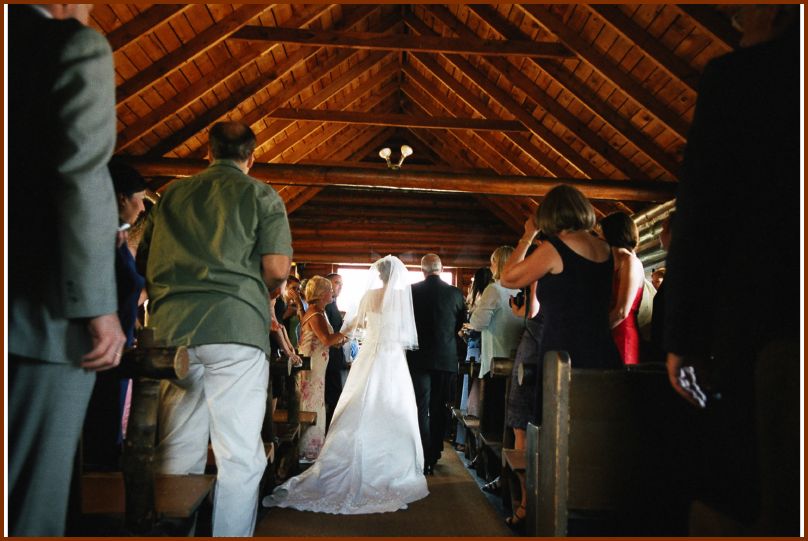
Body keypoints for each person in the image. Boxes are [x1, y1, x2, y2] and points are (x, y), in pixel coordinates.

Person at [664, 5, 799, 535]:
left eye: (747, 13)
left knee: (751, 490)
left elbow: (703, 214)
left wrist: (684, 340)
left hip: (772, 321)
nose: (740, 22)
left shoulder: (744, 79)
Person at [137, 121, 293, 537]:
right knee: (239, 454)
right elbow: (277, 268)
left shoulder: (171, 195)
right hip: (236, 328)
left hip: (172, 330)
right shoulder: (262, 195)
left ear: (208, 152)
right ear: (252, 156)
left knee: (175, 447)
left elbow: (142, 264)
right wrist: (267, 289)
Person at [7, 4, 126, 536]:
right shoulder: (68, 45)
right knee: (28, 503)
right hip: (37, 315)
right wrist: (100, 306)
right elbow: (81, 175)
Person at [264, 256, 429, 514]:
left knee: (359, 402)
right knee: (394, 405)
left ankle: (342, 454)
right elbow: (403, 332)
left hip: (370, 354)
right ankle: (393, 464)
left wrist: (353, 331)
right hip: (393, 357)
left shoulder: (369, 296)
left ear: (379, 275)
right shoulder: (399, 298)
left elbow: (354, 326)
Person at [501, 184, 621, 420]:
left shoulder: (555, 248)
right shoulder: (606, 249)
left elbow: (508, 277)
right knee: (596, 430)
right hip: (602, 349)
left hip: (564, 351)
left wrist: (528, 235)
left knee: (559, 432)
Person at [83, 160, 148, 471]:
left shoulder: (118, 238)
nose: (143, 208)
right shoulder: (100, 238)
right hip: (101, 349)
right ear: (122, 198)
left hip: (119, 348)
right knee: (100, 427)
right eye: (140, 199)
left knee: (109, 427)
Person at [407, 254, 467, 475]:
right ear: (441, 269)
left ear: (422, 270)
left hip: (418, 357)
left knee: (421, 407)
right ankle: (434, 454)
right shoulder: (455, 293)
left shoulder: (410, 291)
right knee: (439, 406)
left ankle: (422, 455)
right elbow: (460, 323)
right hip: (445, 357)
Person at [503, 241, 544, 528]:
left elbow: (532, 312)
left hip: (535, 346)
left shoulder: (542, 270)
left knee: (521, 423)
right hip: (559, 344)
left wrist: (518, 309)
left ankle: (526, 503)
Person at [296, 276, 348, 460]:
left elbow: (324, 341)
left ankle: (313, 447)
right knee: (312, 403)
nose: (332, 293)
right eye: (329, 290)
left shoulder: (318, 312)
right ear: (321, 294)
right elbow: (326, 339)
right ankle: (309, 450)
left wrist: (338, 341)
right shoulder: (316, 314)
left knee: (317, 402)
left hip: (317, 366)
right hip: (312, 367)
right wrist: (345, 331)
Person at [468, 246, 524, 380]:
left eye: (492, 262)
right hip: (516, 359)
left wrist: (476, 309)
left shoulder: (494, 289)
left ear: (498, 264)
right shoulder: (520, 290)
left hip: (496, 361)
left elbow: (477, 324)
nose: (490, 266)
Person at [600, 212, 645, 365]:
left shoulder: (630, 262)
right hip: (610, 331)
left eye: (601, 234)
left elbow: (622, 311)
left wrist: (595, 332)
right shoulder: (613, 262)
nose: (599, 239)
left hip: (623, 334)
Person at [324, 272, 348, 429]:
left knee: (336, 397)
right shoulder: (325, 306)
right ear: (327, 284)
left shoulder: (333, 304)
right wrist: (346, 332)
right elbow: (327, 336)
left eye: (341, 283)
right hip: (330, 359)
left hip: (336, 356)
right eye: (337, 282)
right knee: (333, 397)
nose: (340, 286)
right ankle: (329, 431)